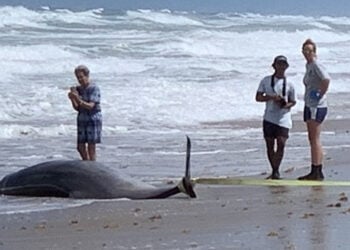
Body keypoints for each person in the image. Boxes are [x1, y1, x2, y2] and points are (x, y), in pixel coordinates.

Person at [256, 55, 296, 179]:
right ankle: (274, 170)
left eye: (283, 65)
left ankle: (276, 170)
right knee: (269, 144)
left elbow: (293, 101)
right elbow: (258, 97)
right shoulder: (266, 80)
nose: (281, 67)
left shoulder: (289, 83)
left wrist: (285, 104)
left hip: (283, 118)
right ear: (274, 66)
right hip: (269, 117)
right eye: (279, 64)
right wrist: (271, 97)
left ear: (286, 67)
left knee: (281, 143)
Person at [298, 39, 330, 180]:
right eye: (305, 50)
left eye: (310, 50)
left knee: (314, 138)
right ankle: (316, 168)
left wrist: (320, 93)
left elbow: (326, 79)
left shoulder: (316, 64)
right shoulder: (309, 65)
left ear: (314, 52)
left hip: (316, 106)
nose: (307, 53)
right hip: (309, 104)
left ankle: (316, 170)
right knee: (312, 138)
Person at [68, 65, 102, 161]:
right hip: (82, 117)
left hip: (92, 118)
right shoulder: (79, 89)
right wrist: (72, 99)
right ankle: (86, 163)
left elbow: (90, 106)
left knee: (91, 147)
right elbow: (78, 108)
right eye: (78, 77)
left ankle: (92, 165)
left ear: (87, 76)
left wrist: (77, 98)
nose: (80, 79)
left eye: (81, 77)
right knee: (80, 146)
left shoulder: (94, 88)